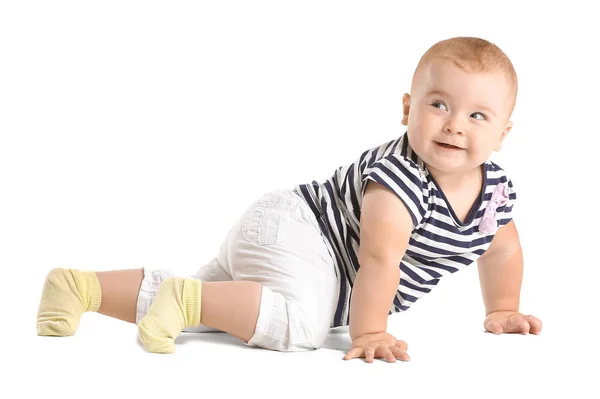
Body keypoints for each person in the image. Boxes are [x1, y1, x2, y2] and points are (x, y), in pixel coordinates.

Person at [36, 36, 542, 363]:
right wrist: (367, 334)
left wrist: (502, 308)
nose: (455, 123)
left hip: (280, 234)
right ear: (407, 108)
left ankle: (81, 289)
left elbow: (502, 249)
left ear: (503, 132)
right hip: (301, 237)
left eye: (478, 116)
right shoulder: (398, 179)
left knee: (216, 309)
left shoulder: (495, 193)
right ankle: (186, 298)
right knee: (302, 325)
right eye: (439, 104)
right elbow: (379, 260)